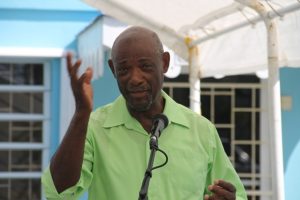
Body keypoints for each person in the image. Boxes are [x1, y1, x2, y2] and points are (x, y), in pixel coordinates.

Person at [42, 26, 247, 200]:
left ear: (164, 63)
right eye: (123, 69)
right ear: (113, 70)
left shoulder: (202, 131)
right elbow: (58, 192)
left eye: (145, 66)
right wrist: (81, 113)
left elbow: (234, 194)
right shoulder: (94, 127)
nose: (135, 78)